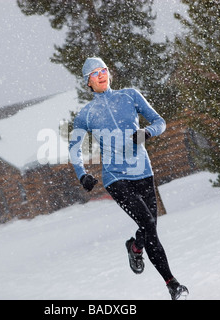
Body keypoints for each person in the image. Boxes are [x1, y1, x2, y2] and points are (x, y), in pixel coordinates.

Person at [69, 57, 188, 300]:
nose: (101, 74)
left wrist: (147, 132)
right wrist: (82, 175)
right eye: (94, 73)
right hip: (115, 178)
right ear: (87, 83)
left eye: (103, 69)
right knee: (148, 224)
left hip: (143, 172)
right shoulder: (86, 114)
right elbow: (74, 148)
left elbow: (160, 122)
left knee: (150, 227)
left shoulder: (130, 95)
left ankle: (135, 247)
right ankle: (173, 284)